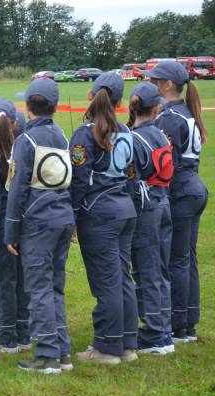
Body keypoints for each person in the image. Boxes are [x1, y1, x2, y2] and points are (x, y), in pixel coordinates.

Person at [5, 79, 74, 374]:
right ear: (54, 107)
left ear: (28, 107)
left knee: (40, 288)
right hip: (62, 218)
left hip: (38, 222)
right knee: (55, 286)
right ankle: (62, 351)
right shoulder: (62, 136)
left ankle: (47, 354)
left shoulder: (26, 140)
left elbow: (17, 188)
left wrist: (11, 231)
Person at [70, 72, 137, 365]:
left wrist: (72, 217)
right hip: (124, 209)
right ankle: (127, 344)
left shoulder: (85, 133)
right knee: (122, 277)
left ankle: (108, 348)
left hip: (99, 214)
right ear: (120, 102)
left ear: (91, 96)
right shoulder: (126, 131)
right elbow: (132, 174)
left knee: (107, 282)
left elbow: (78, 182)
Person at [146, 61, 208, 343]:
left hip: (181, 189)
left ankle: (178, 322)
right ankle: (188, 321)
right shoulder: (183, 112)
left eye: (155, 81)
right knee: (187, 258)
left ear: (168, 85)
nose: (152, 85)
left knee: (177, 259)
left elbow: (163, 160)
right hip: (192, 186)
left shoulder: (170, 117)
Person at [126, 82, 175, 355]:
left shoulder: (134, 139)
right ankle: (164, 329)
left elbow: (131, 178)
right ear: (156, 108)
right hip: (163, 201)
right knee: (160, 269)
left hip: (146, 207)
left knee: (146, 270)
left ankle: (155, 333)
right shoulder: (160, 135)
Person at [0, 99, 30, 353]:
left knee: (4, 281)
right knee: (23, 279)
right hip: (25, 220)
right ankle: (24, 330)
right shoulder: (25, 151)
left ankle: (6, 335)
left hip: (1, 223)